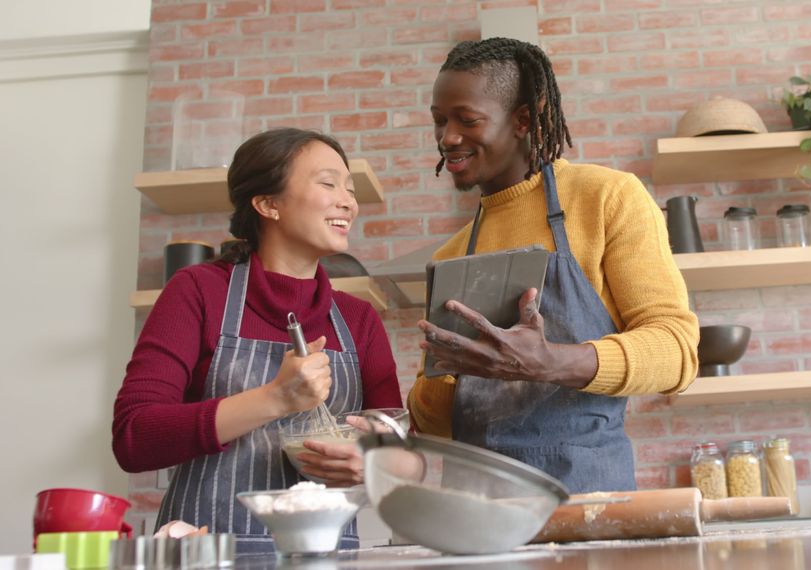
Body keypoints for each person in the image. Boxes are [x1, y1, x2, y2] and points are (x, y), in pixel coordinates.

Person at [407, 38, 700, 493]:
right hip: (475, 510)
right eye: (439, 121)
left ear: (523, 119)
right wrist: (444, 368)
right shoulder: (452, 256)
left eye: (467, 120)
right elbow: (434, 425)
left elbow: (677, 352)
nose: (447, 137)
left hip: (588, 497)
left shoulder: (605, 198)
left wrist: (548, 362)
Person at [112, 128, 401, 553]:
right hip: (206, 553)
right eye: (327, 183)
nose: (348, 201)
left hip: (326, 559)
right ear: (268, 204)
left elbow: (399, 450)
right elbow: (134, 437)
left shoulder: (358, 319)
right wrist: (275, 399)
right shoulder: (197, 291)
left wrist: (375, 465)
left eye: (349, 188)